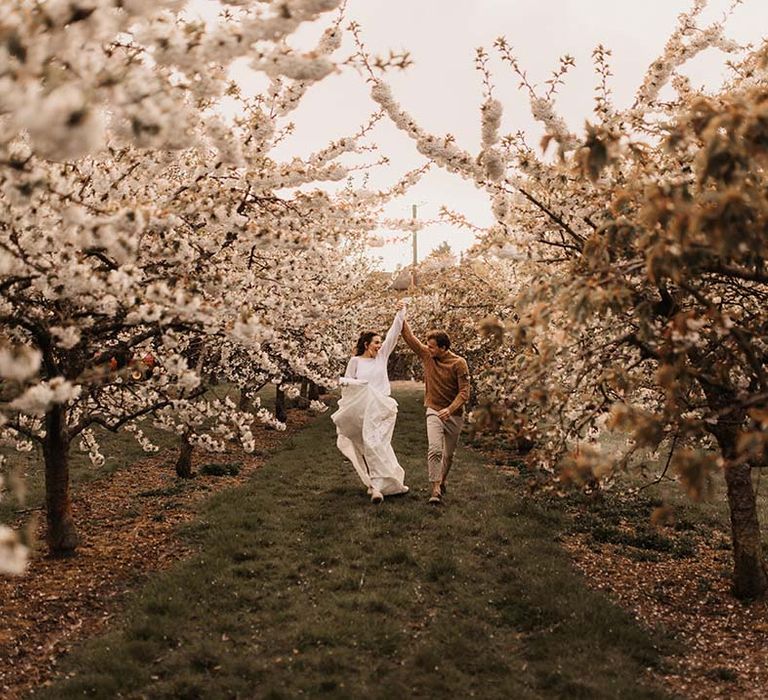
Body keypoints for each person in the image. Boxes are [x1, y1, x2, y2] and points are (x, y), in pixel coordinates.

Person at [331, 303, 409, 504]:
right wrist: (359, 384)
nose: (379, 345)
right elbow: (346, 384)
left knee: (379, 445)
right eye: (376, 342)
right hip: (363, 409)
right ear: (366, 344)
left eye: (380, 342)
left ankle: (380, 485)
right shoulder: (355, 361)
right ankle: (375, 486)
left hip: (382, 408)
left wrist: (401, 310)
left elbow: (394, 332)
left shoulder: (382, 357)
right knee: (368, 446)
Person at [401, 320, 470, 504]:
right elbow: (409, 337)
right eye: (428, 346)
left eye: (432, 347)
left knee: (448, 455)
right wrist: (401, 312)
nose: (428, 349)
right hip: (433, 409)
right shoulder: (427, 355)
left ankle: (443, 481)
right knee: (435, 450)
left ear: (443, 347)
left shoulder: (459, 363)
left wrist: (450, 409)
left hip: (454, 413)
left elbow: (464, 392)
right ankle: (435, 488)